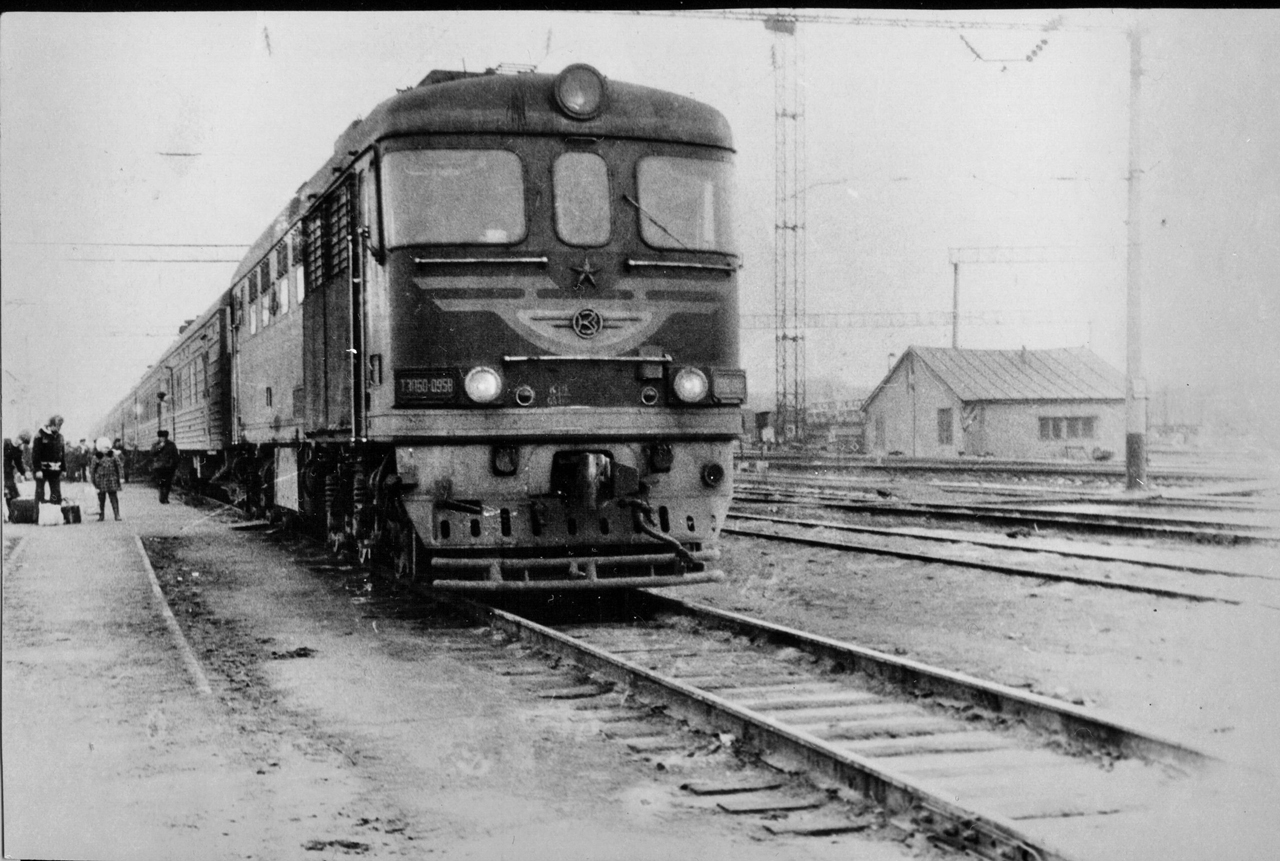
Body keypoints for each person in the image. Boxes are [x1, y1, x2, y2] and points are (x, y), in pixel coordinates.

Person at [32, 415, 67, 505]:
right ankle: (38, 516)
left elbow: (62, 454)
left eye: (60, 426)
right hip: (42, 471)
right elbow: (36, 454)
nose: (59, 428)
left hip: (55, 472)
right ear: (51, 425)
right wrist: (37, 469)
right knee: (40, 495)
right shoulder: (40, 436)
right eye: (57, 425)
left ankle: (54, 515)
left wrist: (63, 469)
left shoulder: (60, 437)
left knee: (56, 495)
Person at [91, 437, 123, 522]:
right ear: (100, 448)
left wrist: (121, 477)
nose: (106, 449)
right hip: (100, 480)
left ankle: (117, 514)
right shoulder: (96, 457)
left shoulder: (113, 456)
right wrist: (93, 482)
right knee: (101, 499)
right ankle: (101, 515)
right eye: (104, 448)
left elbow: (119, 466)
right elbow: (92, 470)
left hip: (112, 479)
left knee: (113, 497)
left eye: (107, 447)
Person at [151, 429, 180, 504]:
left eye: (164, 437)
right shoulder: (155, 444)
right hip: (158, 467)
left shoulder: (171, 444)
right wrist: (160, 446)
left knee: (168, 483)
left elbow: (175, 455)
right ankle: (161, 497)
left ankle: (166, 498)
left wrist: (175, 465)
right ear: (159, 437)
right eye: (161, 437)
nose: (163, 439)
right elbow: (152, 453)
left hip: (168, 466)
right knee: (160, 483)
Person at [4, 434, 28, 503]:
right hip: (4, 472)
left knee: (12, 494)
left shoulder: (17, 449)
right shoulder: (6, 442)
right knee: (8, 491)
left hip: (8, 474)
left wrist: (24, 472)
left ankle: (12, 512)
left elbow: (18, 463)